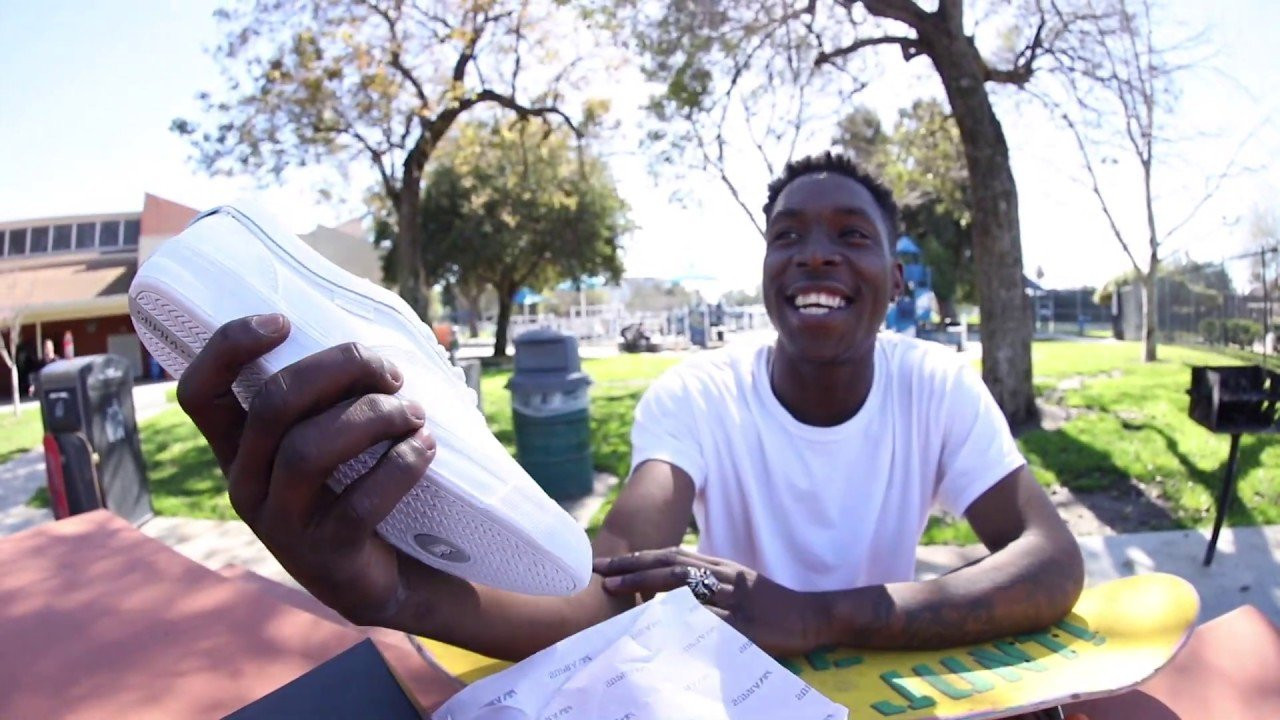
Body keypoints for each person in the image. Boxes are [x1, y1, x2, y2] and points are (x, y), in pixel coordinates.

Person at [176, 152, 1083, 666]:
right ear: (767, 272)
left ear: (895, 277)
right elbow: (609, 584)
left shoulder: (938, 386)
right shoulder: (700, 394)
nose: (815, 255)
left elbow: (1050, 560)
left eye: (852, 235)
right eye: (788, 237)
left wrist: (826, 615)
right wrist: (395, 591)